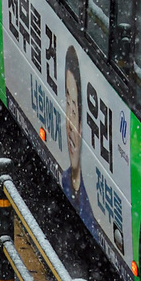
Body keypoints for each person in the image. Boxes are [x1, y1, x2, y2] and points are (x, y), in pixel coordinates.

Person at [62, 45, 93, 225]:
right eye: (68, 104)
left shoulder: (91, 210)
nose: (71, 126)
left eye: (75, 109)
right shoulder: (64, 179)